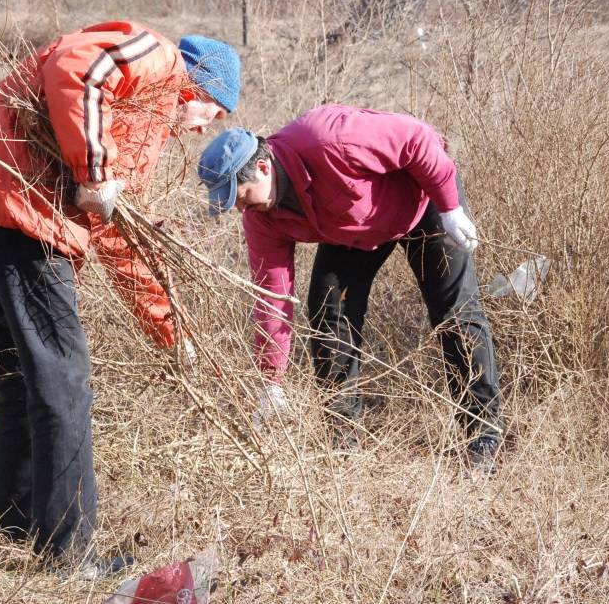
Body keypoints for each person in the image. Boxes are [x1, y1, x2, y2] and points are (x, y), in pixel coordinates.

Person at [0, 21, 241, 574]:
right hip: (13, 196)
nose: (205, 128)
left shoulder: (137, 128)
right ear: (200, 86)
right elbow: (79, 68)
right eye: (215, 112)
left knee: (23, 375)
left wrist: (173, 334)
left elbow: (119, 240)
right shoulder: (162, 62)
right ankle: (68, 554)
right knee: (64, 381)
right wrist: (94, 172)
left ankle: (16, 530)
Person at [197, 104, 502, 472]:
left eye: (240, 195)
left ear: (263, 168)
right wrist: (271, 381)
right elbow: (272, 298)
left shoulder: (329, 139)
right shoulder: (262, 217)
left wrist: (450, 206)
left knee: (455, 313)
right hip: (354, 228)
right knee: (329, 312)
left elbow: (417, 139)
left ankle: (482, 436)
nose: (239, 207)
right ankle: (344, 443)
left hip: (424, 200)